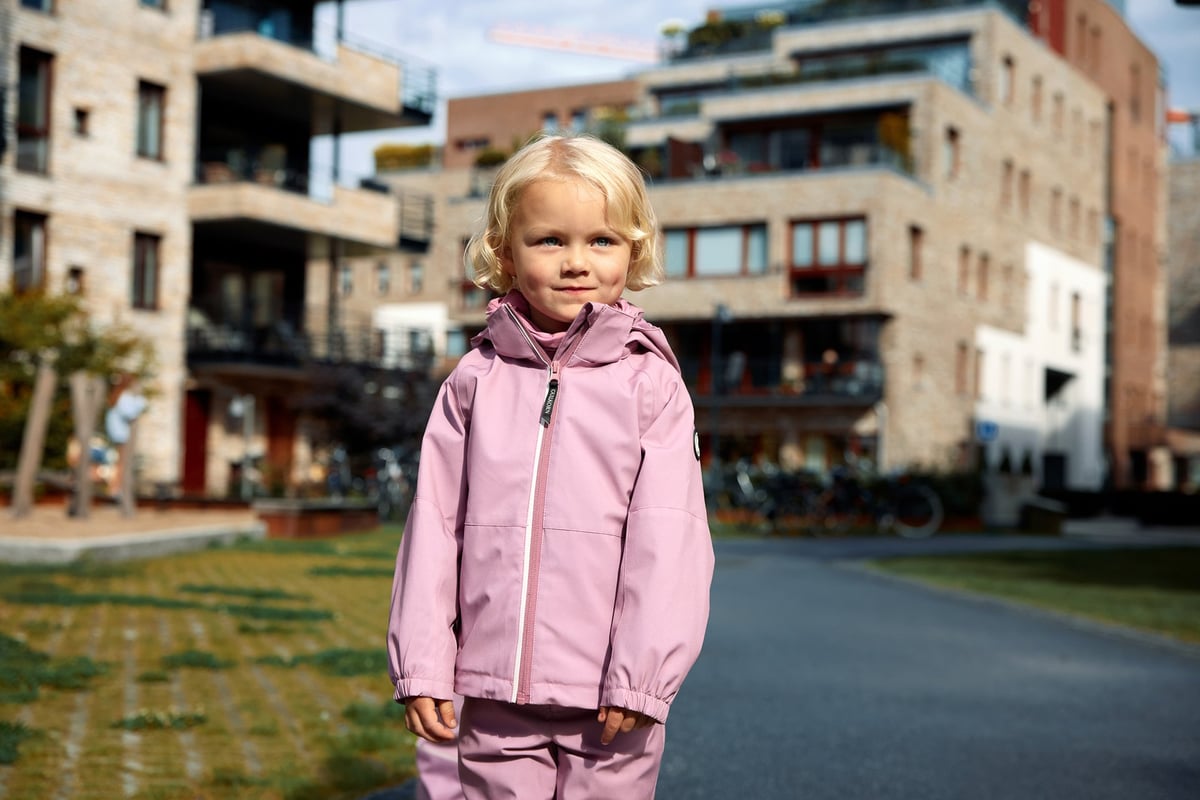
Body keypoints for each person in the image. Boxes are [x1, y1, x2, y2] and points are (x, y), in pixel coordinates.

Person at [387, 134, 714, 799]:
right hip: (494, 688)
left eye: (601, 240)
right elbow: (434, 528)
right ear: (504, 252)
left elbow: (670, 538)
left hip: (610, 701)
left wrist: (642, 677)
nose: (576, 263)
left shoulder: (651, 385)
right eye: (548, 241)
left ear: (635, 249)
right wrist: (422, 662)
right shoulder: (474, 380)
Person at [104, 374, 147, 496]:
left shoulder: (116, 395)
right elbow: (130, 413)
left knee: (119, 462)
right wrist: (140, 400)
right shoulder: (124, 396)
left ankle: (115, 489)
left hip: (116, 433)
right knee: (122, 463)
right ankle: (116, 490)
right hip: (122, 435)